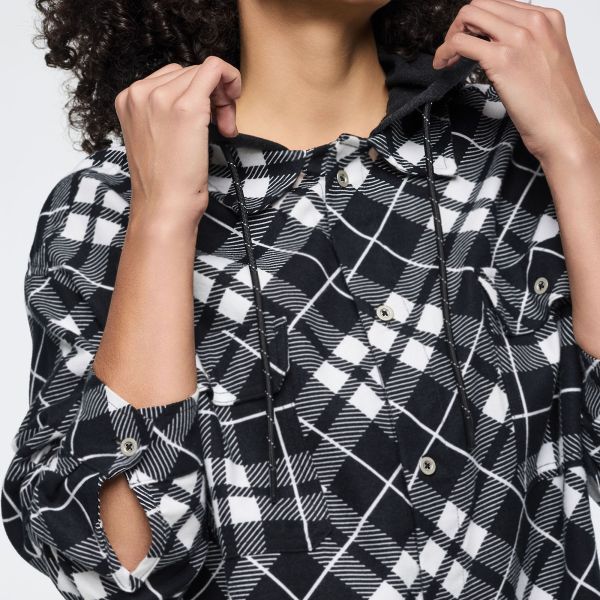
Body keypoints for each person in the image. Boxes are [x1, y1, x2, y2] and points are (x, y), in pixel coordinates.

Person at [4, 0, 600, 598]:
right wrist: (161, 220)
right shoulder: (106, 212)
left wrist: (579, 150)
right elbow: (113, 571)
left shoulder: (521, 145)